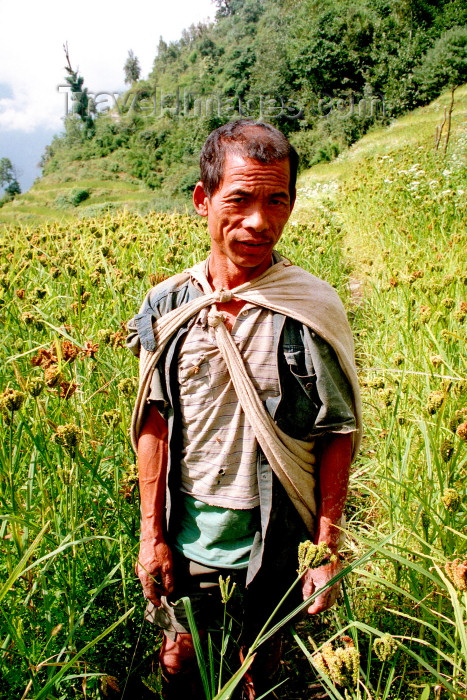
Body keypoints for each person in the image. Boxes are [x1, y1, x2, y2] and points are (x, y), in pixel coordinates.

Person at [126, 119, 361, 699]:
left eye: (276, 201)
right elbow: (152, 422)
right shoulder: (169, 305)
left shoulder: (309, 307)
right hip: (185, 535)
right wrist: (150, 534)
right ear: (204, 200)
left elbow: (337, 432)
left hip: (275, 535)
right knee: (181, 662)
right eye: (239, 199)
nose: (260, 222)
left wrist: (325, 551)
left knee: (259, 672)